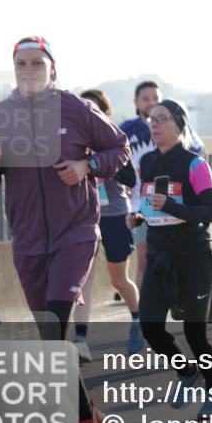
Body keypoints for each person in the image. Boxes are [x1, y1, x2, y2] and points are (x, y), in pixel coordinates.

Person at [0, 36, 131, 423]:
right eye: (21, 63)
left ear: (52, 68)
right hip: (27, 243)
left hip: (74, 234)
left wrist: (87, 168)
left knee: (55, 329)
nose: (29, 69)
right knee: (51, 339)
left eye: (37, 62)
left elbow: (119, 149)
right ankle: (86, 419)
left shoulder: (76, 109)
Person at [127, 100, 212, 420]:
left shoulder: (195, 164)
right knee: (151, 326)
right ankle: (186, 370)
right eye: (150, 119)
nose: (153, 125)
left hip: (194, 254)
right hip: (159, 253)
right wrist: (141, 217)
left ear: (179, 124)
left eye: (161, 119)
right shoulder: (148, 163)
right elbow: (153, 206)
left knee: (195, 333)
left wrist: (171, 207)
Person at [69, 90, 143, 362]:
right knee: (82, 280)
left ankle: (137, 320)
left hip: (114, 215)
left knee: (118, 279)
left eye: (95, 110)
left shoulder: (113, 142)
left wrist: (97, 160)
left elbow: (130, 179)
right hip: (85, 217)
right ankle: (80, 340)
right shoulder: (73, 142)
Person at [120, 82, 205, 291]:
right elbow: (115, 161)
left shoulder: (176, 125)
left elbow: (199, 153)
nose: (151, 103)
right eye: (145, 99)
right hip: (142, 206)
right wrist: (125, 184)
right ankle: (143, 316)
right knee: (144, 262)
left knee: (177, 261)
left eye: (155, 98)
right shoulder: (127, 130)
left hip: (177, 204)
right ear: (136, 102)